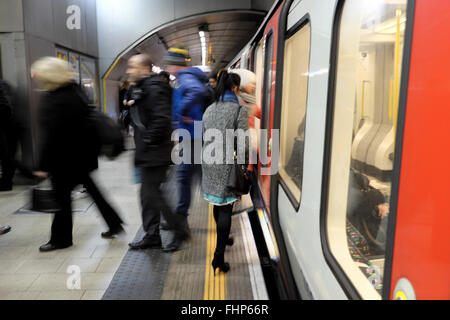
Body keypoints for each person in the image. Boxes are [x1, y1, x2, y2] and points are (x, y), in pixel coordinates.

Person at [31, 57, 125, 252]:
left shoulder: (55, 99)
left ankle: (61, 239)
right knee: (93, 192)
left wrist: (42, 165)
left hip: (64, 160)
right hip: (81, 157)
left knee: (62, 200)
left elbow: (51, 137)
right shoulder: (76, 91)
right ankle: (114, 223)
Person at [126, 53, 189, 252]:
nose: (129, 71)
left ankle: (179, 230)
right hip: (149, 151)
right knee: (148, 195)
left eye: (132, 67)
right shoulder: (143, 88)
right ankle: (152, 234)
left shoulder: (153, 88)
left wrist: (148, 140)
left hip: (155, 151)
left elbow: (161, 118)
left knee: (153, 195)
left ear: (144, 68)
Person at [202, 71, 249, 274]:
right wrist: (245, 167)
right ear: (235, 88)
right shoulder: (238, 109)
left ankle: (224, 238)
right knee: (225, 210)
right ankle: (218, 258)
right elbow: (244, 143)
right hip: (227, 164)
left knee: (216, 202)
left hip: (209, 161)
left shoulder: (209, 109)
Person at [164, 47, 208, 231]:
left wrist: (182, 111)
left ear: (176, 65)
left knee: (186, 178)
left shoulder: (186, 78)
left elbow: (197, 91)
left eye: (168, 64)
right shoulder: (186, 78)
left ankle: (181, 221)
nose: (166, 68)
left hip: (192, 137)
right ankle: (181, 219)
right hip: (193, 135)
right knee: (189, 178)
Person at [0, 79, 18, 192]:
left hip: (6, 128)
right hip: (9, 126)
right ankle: (6, 182)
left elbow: (5, 108)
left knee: (6, 156)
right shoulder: (4, 84)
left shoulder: (2, 86)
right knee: (7, 157)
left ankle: (6, 183)